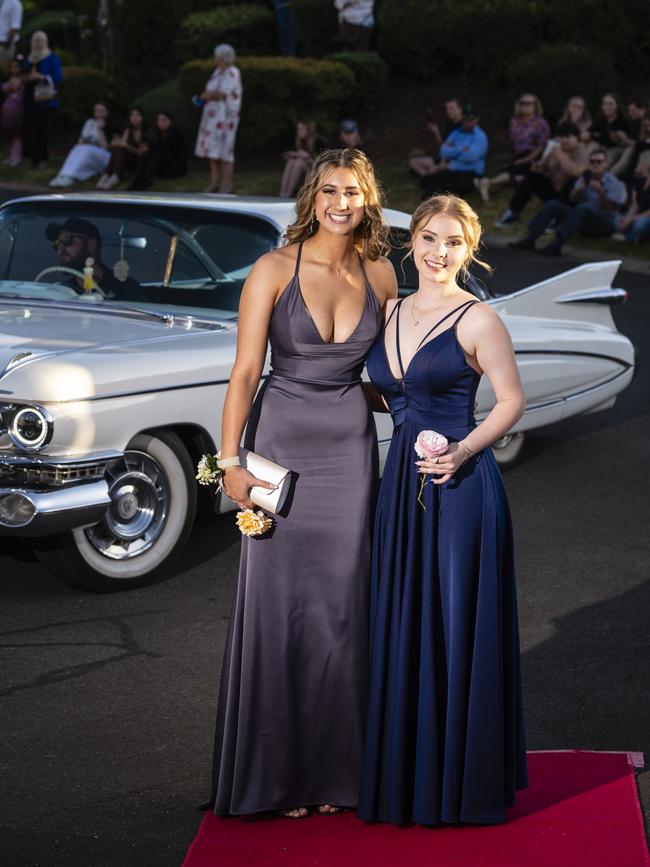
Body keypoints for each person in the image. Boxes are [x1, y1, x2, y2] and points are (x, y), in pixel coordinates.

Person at [203, 148, 397, 818]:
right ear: (312, 197)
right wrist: (230, 461)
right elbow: (244, 372)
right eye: (332, 191)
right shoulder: (272, 269)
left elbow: (387, 375)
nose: (343, 204)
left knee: (342, 610)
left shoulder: (381, 273)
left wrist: (438, 407)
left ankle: (337, 775)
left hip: (348, 449)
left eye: (355, 193)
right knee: (280, 609)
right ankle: (278, 777)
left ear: (368, 201)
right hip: (280, 443)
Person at [358, 193, 527, 825]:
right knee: (406, 617)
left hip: (458, 486)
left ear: (469, 248)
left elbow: (511, 401)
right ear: (412, 241)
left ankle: (461, 783)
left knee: (454, 624)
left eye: (451, 242)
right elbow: (387, 391)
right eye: (428, 238)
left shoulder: (477, 318)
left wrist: (461, 451)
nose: (437, 252)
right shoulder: (392, 308)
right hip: (401, 481)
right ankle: (408, 772)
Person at [508, 148, 627, 255]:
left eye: (599, 162)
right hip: (582, 219)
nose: (595, 164)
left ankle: (556, 246)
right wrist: (579, 190)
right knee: (552, 204)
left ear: (606, 164)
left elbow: (610, 208)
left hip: (604, 222)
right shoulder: (585, 177)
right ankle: (530, 239)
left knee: (582, 209)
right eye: (592, 162)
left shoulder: (614, 183)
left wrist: (600, 192)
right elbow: (573, 199)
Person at [495, 121, 588, 227]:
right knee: (531, 177)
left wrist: (560, 154)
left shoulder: (582, 152)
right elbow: (544, 167)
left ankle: (557, 218)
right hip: (553, 192)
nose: (565, 140)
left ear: (576, 137)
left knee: (572, 182)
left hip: (570, 198)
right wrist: (539, 168)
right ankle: (513, 211)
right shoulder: (556, 150)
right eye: (562, 137)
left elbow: (575, 173)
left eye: (568, 137)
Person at [44, 217, 145, 301]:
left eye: (66, 239)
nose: (60, 249)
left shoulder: (126, 290)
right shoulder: (61, 291)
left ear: (91, 244)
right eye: (56, 245)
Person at [475, 94, 550, 201]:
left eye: (529, 103)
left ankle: (488, 182)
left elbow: (541, 146)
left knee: (516, 170)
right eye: (522, 103)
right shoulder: (514, 121)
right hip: (518, 155)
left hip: (534, 156)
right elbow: (512, 142)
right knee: (515, 171)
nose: (525, 105)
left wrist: (527, 159)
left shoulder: (541, 123)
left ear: (535, 106)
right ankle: (490, 186)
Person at [194, 43, 242, 194]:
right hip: (212, 117)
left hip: (226, 118)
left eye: (217, 56)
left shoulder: (232, 72)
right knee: (213, 149)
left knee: (225, 150)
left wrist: (207, 95)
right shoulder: (217, 71)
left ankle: (227, 184)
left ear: (223, 57)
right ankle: (215, 181)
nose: (215, 59)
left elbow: (223, 93)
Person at [420, 104, 488, 197]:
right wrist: (461, 150)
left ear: (477, 119)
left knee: (455, 189)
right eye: (465, 119)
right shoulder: (456, 133)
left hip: (471, 172)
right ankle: (439, 193)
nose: (467, 122)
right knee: (426, 180)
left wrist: (452, 152)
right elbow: (443, 151)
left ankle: (440, 194)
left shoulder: (480, 136)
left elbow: (470, 157)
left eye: (470, 119)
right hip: (453, 170)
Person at [21, 30, 62, 169]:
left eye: (41, 40)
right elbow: (23, 73)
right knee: (29, 128)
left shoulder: (51, 57)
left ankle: (42, 159)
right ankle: (30, 158)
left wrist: (41, 77)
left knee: (41, 129)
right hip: (29, 98)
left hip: (43, 99)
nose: (38, 43)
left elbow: (58, 77)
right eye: (36, 40)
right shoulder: (30, 58)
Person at [49, 102, 111, 188]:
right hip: (87, 148)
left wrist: (100, 129)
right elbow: (82, 138)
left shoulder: (109, 125)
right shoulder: (90, 122)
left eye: (101, 111)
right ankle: (62, 175)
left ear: (107, 112)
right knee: (77, 148)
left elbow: (106, 147)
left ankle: (71, 176)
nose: (98, 113)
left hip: (104, 155)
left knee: (87, 150)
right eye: (96, 110)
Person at [128, 111, 186, 191]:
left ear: (170, 121)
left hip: (175, 168)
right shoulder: (158, 132)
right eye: (159, 120)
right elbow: (150, 144)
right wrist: (145, 148)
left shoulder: (175, 132)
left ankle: (145, 182)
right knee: (148, 153)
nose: (161, 123)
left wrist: (147, 148)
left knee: (157, 151)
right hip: (162, 168)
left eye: (164, 120)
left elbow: (163, 145)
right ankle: (138, 180)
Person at [409, 97, 463, 178]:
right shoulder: (449, 125)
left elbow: (461, 151)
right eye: (447, 109)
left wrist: (443, 162)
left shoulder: (465, 126)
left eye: (451, 108)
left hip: (453, 161)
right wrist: (436, 131)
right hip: (442, 158)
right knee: (413, 162)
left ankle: (430, 177)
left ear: (460, 109)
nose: (448, 112)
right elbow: (443, 145)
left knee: (433, 169)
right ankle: (428, 177)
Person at [97, 107, 148, 189]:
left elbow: (141, 152)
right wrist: (118, 143)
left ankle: (115, 176)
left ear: (142, 117)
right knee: (119, 149)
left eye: (137, 115)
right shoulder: (128, 130)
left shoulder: (147, 131)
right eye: (132, 116)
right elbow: (122, 144)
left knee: (121, 149)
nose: (134, 118)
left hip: (140, 162)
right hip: (128, 159)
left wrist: (126, 146)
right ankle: (108, 175)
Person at [278, 120, 326, 197]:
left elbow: (323, 165)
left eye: (301, 129)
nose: (298, 131)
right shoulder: (300, 141)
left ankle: (288, 193)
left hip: (316, 173)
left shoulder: (319, 141)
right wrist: (295, 155)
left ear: (309, 130)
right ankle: (283, 192)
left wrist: (307, 158)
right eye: (298, 129)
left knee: (299, 163)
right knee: (291, 161)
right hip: (303, 171)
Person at [591, 93, 635, 177]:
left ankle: (606, 179)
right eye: (605, 104)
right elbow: (589, 133)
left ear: (617, 106)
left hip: (617, 148)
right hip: (603, 146)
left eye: (610, 104)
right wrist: (598, 137)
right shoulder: (601, 119)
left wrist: (598, 136)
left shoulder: (623, 121)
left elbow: (614, 141)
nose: (607, 106)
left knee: (604, 160)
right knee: (593, 147)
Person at [614, 152, 650, 243]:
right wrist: (627, 218)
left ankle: (629, 238)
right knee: (617, 220)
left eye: (640, 163)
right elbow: (635, 205)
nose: (637, 165)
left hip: (646, 216)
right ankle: (635, 236)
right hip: (640, 215)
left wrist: (631, 219)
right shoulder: (640, 181)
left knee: (640, 224)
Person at [1, 55, 23, 166]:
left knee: (17, 133)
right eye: (12, 67)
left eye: (17, 67)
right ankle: (12, 155)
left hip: (17, 109)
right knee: (10, 133)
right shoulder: (9, 79)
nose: (14, 69)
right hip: (8, 109)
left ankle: (17, 157)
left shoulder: (22, 80)